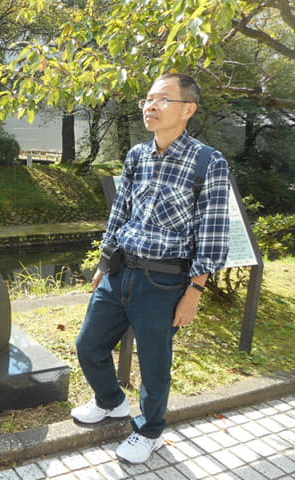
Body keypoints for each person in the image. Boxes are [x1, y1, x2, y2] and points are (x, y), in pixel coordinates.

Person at [72, 73, 230, 464]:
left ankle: (151, 431)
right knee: (88, 345)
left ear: (188, 109)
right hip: (120, 271)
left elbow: (213, 235)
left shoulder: (209, 162)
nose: (150, 106)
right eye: (148, 98)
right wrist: (104, 262)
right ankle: (111, 401)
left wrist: (194, 292)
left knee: (155, 364)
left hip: (164, 280)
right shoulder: (137, 155)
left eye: (162, 99)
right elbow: (120, 213)